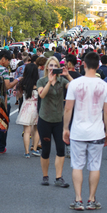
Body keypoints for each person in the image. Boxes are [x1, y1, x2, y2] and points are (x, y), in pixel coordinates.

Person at [63, 52, 107, 211]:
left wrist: (65, 128)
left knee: (77, 165)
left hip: (78, 131)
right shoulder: (105, 86)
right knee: (94, 166)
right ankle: (91, 199)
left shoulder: (75, 84)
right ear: (98, 66)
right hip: (97, 132)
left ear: (83, 65)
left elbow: (68, 108)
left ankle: (78, 199)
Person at [36, 57, 73, 187]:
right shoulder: (42, 80)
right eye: (50, 65)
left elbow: (76, 89)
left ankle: (59, 177)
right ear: (47, 67)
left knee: (61, 150)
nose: (52, 68)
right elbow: (41, 95)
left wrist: (67, 75)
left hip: (59, 120)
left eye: (55, 65)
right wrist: (49, 82)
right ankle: (45, 176)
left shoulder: (62, 81)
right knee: (45, 150)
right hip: (45, 119)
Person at [0, 50, 20, 155]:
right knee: (3, 122)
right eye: (8, 60)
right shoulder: (3, 70)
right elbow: (7, 86)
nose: (9, 63)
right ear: (3, 59)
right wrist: (18, 80)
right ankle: (1, 147)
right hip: (3, 100)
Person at [15, 64, 40, 158]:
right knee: (37, 129)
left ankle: (26, 152)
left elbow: (19, 96)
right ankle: (35, 149)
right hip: (37, 107)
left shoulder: (23, 82)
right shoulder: (39, 82)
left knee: (26, 131)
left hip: (26, 106)